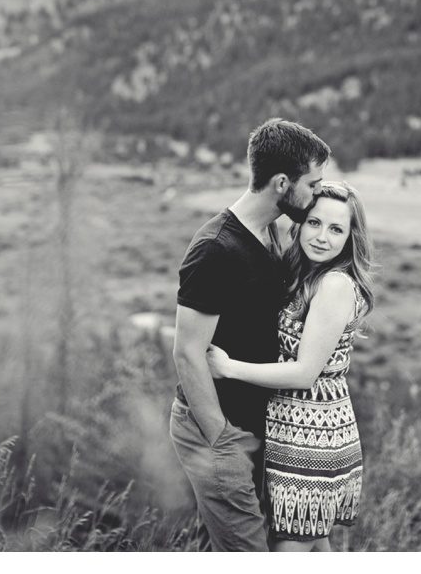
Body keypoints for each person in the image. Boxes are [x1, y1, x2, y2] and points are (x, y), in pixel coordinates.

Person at [170, 118, 330, 552]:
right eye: (312, 184)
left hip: (258, 426)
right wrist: (221, 439)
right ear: (282, 183)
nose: (317, 193)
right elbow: (187, 352)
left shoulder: (271, 233)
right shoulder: (215, 249)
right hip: (221, 428)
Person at [207, 180, 375, 551]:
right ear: (300, 224)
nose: (322, 237)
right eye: (314, 223)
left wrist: (229, 367)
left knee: (291, 546)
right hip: (295, 428)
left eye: (336, 229)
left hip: (313, 434)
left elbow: (303, 373)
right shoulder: (305, 275)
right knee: (311, 543)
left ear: (350, 238)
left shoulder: (334, 285)